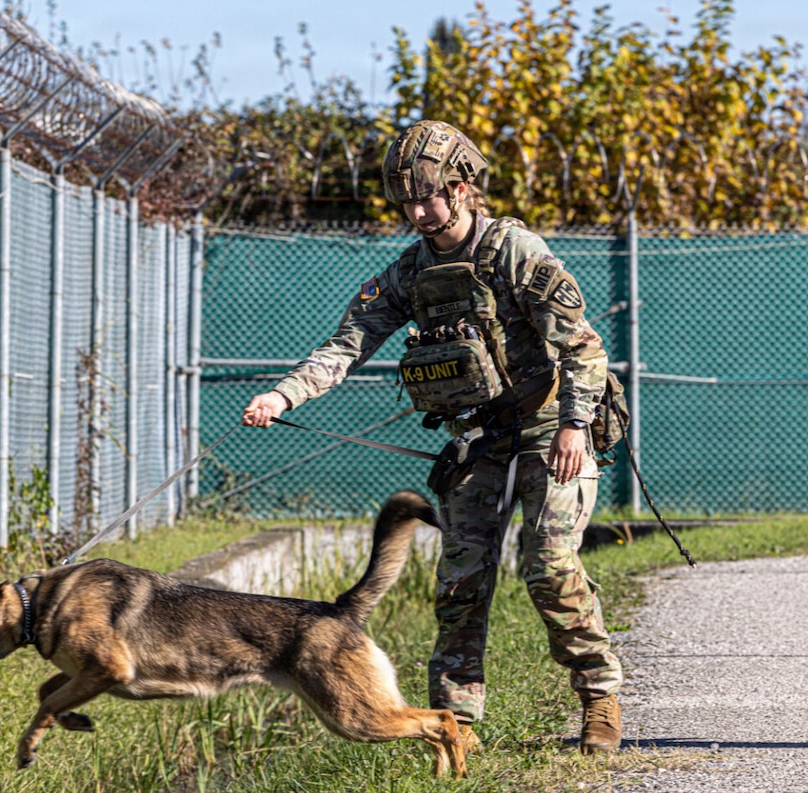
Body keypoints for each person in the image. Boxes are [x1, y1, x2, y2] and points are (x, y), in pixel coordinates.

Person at [241, 120, 623, 755]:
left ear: (464, 187)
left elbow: (582, 347)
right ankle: (456, 727)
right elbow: (350, 343)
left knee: (550, 564)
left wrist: (576, 426)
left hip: (554, 428)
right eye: (407, 201)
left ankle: (598, 696)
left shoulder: (516, 254)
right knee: (459, 581)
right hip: (479, 440)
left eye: (429, 197)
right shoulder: (410, 272)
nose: (418, 211)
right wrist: (284, 394)